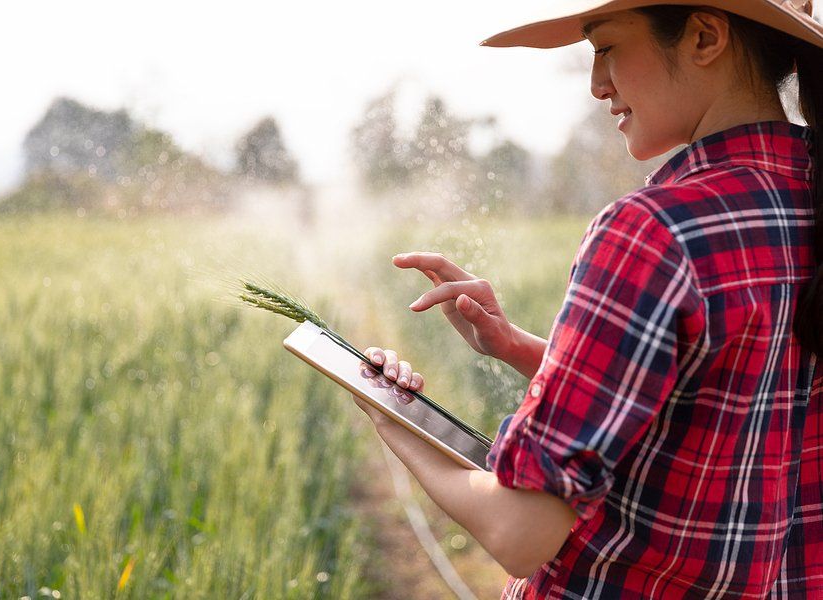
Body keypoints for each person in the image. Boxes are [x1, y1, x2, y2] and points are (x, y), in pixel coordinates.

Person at [352, 2, 823, 598]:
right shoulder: (805, 199)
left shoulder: (654, 232)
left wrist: (392, 418)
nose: (597, 85)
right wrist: (519, 347)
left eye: (604, 48)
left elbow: (521, 532)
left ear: (705, 37)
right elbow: (739, 397)